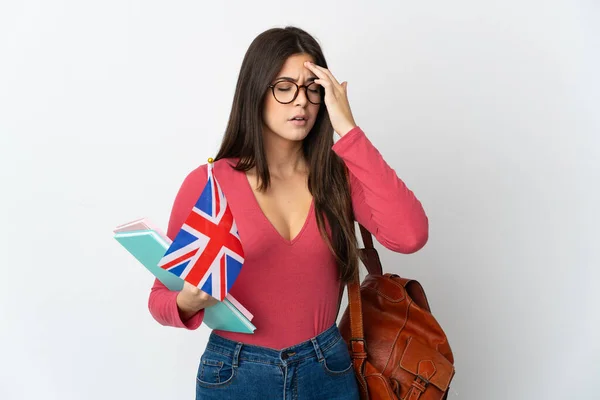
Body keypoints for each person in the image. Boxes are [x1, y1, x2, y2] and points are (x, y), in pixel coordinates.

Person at [148, 26, 429, 400]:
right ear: (256, 92)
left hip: (327, 368)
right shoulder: (210, 184)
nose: (301, 102)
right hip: (235, 373)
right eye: (284, 87)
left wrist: (348, 129)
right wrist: (187, 302)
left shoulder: (338, 176)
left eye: (313, 88)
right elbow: (159, 299)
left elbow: (410, 236)